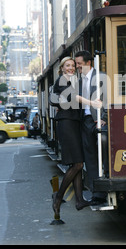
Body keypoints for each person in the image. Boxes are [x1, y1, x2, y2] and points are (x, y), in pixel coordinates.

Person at [51, 57, 90, 223]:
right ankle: (58, 197)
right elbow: (74, 98)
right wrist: (93, 103)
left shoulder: (72, 81)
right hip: (66, 123)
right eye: (68, 65)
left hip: (73, 123)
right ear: (62, 68)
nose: (71, 68)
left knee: (78, 162)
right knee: (78, 164)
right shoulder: (62, 80)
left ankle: (79, 200)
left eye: (73, 65)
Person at [74, 50, 108, 205]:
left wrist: (104, 118)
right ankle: (97, 194)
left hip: (99, 121)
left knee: (105, 156)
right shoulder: (79, 80)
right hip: (86, 121)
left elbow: (109, 98)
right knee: (90, 158)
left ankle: (108, 188)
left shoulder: (102, 77)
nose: (77, 67)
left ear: (88, 63)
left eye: (79, 64)